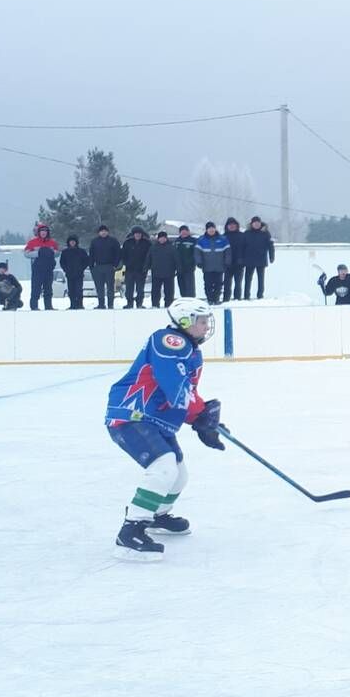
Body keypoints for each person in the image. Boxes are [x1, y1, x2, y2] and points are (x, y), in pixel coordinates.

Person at [105, 298, 223, 560]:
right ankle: (130, 531)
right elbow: (175, 385)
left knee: (179, 475)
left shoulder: (190, 349)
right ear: (186, 322)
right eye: (202, 321)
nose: (206, 327)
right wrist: (201, 414)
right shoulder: (169, 341)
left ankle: (157, 515)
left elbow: (186, 392)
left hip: (155, 419)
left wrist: (203, 421)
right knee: (163, 467)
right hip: (132, 415)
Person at [24, 223, 60, 310]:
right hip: (37, 269)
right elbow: (26, 254)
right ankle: (34, 306)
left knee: (48, 289)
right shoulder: (32, 242)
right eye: (42, 231)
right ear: (38, 232)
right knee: (36, 288)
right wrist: (39, 253)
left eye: (45, 231)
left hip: (48, 269)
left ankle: (48, 306)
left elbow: (57, 253)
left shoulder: (52, 242)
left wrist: (50, 253)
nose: (43, 233)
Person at [239, 217, 275, 299]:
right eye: (255, 223)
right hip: (249, 260)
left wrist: (271, 256)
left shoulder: (265, 233)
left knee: (261, 279)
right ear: (251, 224)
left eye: (258, 223)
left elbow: (270, 246)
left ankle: (260, 295)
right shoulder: (247, 233)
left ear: (260, 223)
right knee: (248, 279)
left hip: (261, 259)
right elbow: (242, 247)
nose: (256, 224)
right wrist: (241, 258)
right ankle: (246, 295)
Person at [196, 222, 231, 305]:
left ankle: (216, 299)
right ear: (206, 230)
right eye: (209, 228)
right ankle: (210, 299)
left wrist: (227, 261)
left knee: (218, 284)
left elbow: (228, 252)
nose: (211, 230)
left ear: (215, 229)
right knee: (208, 284)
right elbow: (197, 252)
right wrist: (199, 262)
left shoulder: (223, 239)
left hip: (219, 267)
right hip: (207, 267)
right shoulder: (201, 240)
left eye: (213, 228)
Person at [89, 225, 121, 309]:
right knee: (99, 287)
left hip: (109, 266)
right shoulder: (94, 241)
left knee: (110, 287)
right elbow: (91, 254)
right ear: (99, 232)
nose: (103, 232)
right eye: (101, 231)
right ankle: (101, 304)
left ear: (108, 232)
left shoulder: (113, 241)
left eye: (105, 231)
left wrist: (115, 265)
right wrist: (91, 266)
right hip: (98, 267)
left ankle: (110, 304)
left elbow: (118, 253)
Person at [146, 230, 179, 307]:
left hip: (169, 273)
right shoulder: (153, 247)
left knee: (169, 291)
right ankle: (155, 304)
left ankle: (168, 304)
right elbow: (148, 258)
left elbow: (177, 259)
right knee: (155, 291)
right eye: (160, 238)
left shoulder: (171, 247)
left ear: (166, 238)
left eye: (164, 238)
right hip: (156, 272)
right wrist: (146, 267)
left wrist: (178, 268)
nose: (162, 239)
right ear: (158, 239)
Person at [121, 227, 151, 308]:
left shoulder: (147, 243)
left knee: (140, 289)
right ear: (133, 234)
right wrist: (126, 263)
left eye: (139, 234)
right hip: (129, 269)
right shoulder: (127, 243)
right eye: (136, 234)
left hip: (142, 270)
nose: (138, 235)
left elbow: (149, 256)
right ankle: (129, 303)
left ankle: (139, 303)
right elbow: (123, 255)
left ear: (142, 234)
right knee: (129, 288)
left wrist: (146, 266)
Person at [57, 235, 89, 309]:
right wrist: (66, 270)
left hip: (79, 274)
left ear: (76, 242)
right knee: (71, 291)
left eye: (74, 241)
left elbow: (86, 261)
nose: (72, 243)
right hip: (69, 274)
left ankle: (80, 304)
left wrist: (81, 269)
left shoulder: (81, 251)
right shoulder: (65, 252)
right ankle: (72, 304)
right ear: (68, 242)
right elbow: (62, 262)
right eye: (71, 241)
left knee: (79, 290)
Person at [173, 225, 198, 299]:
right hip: (179, 267)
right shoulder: (177, 241)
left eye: (185, 231)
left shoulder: (193, 241)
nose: (184, 233)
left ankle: (191, 300)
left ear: (188, 232)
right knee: (181, 285)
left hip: (189, 267)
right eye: (182, 231)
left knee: (189, 286)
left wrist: (193, 262)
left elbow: (196, 253)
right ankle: (184, 299)